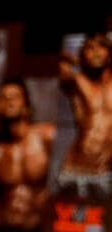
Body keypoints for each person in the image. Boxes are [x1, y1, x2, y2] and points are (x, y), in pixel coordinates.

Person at [0, 80, 56, 230]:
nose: (9, 101)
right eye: (4, 97)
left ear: (26, 105)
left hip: (38, 226)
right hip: (4, 226)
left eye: (15, 96)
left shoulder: (45, 136)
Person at [58, 33, 112, 198]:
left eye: (101, 47)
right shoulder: (78, 82)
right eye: (90, 48)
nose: (95, 52)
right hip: (72, 169)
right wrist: (77, 61)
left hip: (103, 171)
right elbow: (63, 64)